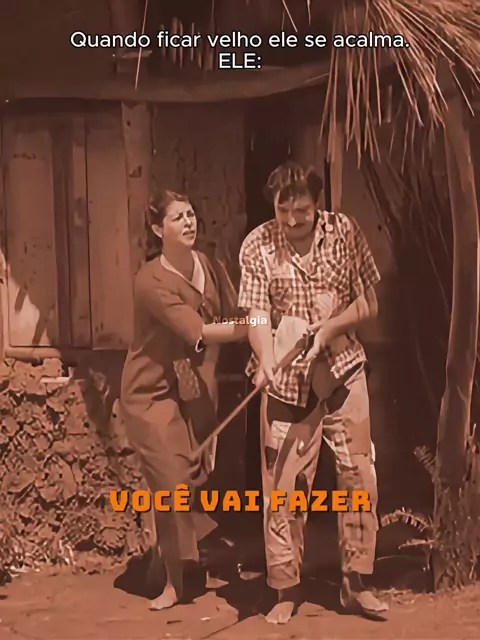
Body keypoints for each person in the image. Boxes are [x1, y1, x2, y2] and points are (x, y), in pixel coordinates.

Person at [237, 161, 388, 624]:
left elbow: (368, 302)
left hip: (342, 372)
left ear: (317, 202)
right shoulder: (258, 244)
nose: (293, 219)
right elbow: (255, 314)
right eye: (283, 210)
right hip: (285, 384)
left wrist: (330, 328)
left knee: (358, 476)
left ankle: (355, 584)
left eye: (301, 209)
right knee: (283, 487)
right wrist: (264, 356)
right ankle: (285, 588)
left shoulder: (345, 232)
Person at [120, 189, 247, 611]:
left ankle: (167, 557)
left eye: (191, 214)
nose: (189, 222)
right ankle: (174, 584)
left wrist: (261, 320)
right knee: (172, 483)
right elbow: (204, 331)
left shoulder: (207, 266)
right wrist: (255, 328)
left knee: (195, 474)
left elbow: (233, 313)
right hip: (150, 392)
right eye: (178, 217)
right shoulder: (150, 281)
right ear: (158, 230)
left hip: (191, 383)